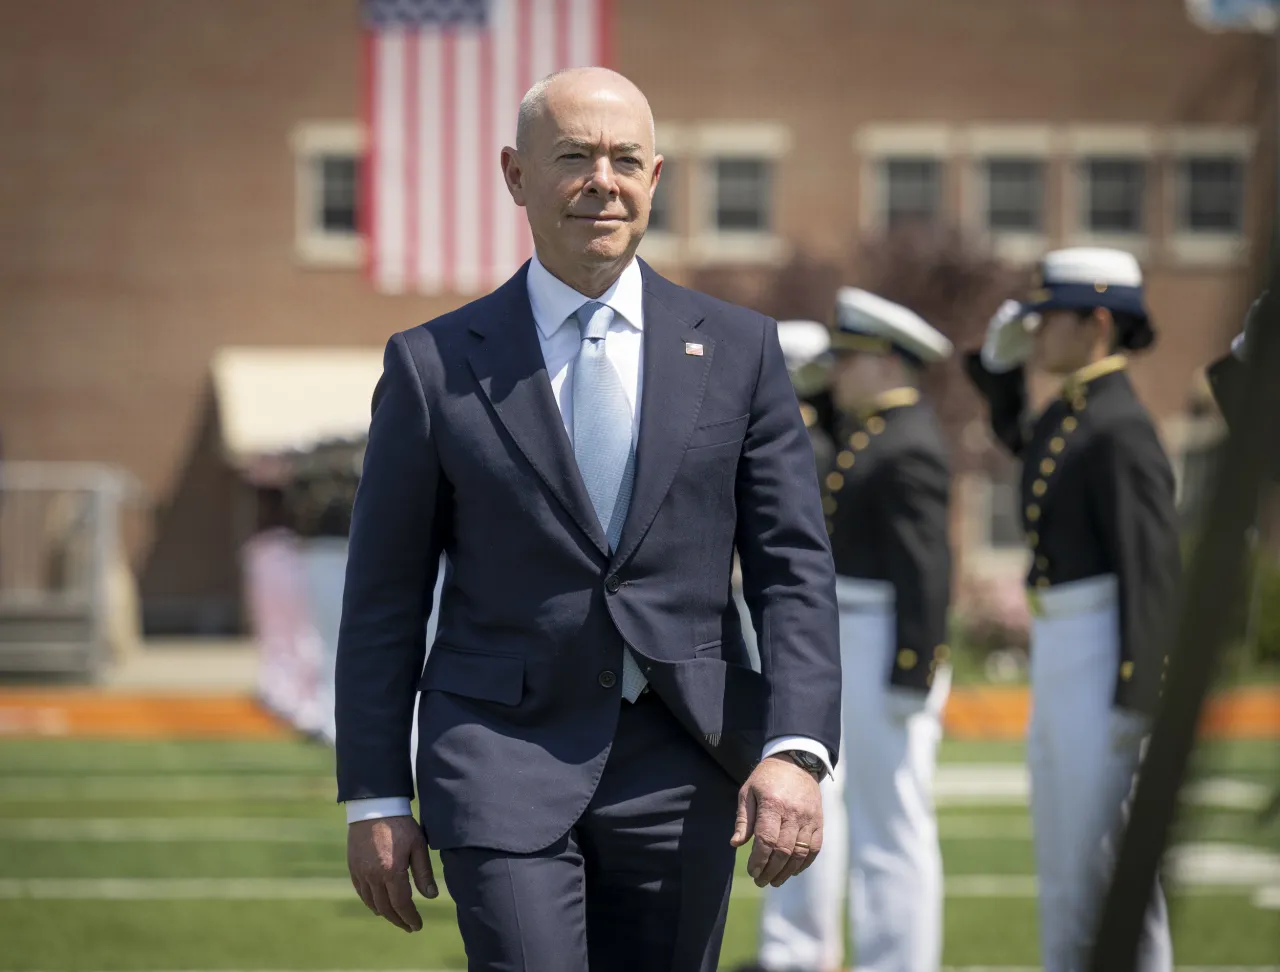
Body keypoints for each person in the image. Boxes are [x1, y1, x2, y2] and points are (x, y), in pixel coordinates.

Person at [335, 67, 841, 972]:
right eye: (572, 156)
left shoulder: (742, 351)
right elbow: (383, 595)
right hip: (499, 755)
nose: (601, 180)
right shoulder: (430, 365)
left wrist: (798, 749)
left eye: (624, 159)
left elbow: (791, 569)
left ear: (657, 177)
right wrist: (374, 794)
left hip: (689, 759)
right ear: (515, 176)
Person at [966, 248, 1178, 972]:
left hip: (1102, 644)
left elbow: (1151, 569)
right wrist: (998, 375)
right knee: (1062, 852)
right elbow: (1022, 444)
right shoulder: (1074, 413)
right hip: (1064, 646)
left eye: (1047, 318)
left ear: (1096, 321)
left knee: (1110, 859)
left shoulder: (1120, 426)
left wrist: (1137, 691)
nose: (1036, 333)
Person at [743, 289, 954, 972]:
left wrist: (914, 668)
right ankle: (808, 955)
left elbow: (927, 569)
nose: (837, 370)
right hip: (851, 634)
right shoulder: (869, 431)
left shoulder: (907, 440)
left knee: (892, 824)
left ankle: (897, 961)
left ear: (889, 360)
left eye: (852, 358)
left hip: (885, 638)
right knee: (840, 806)